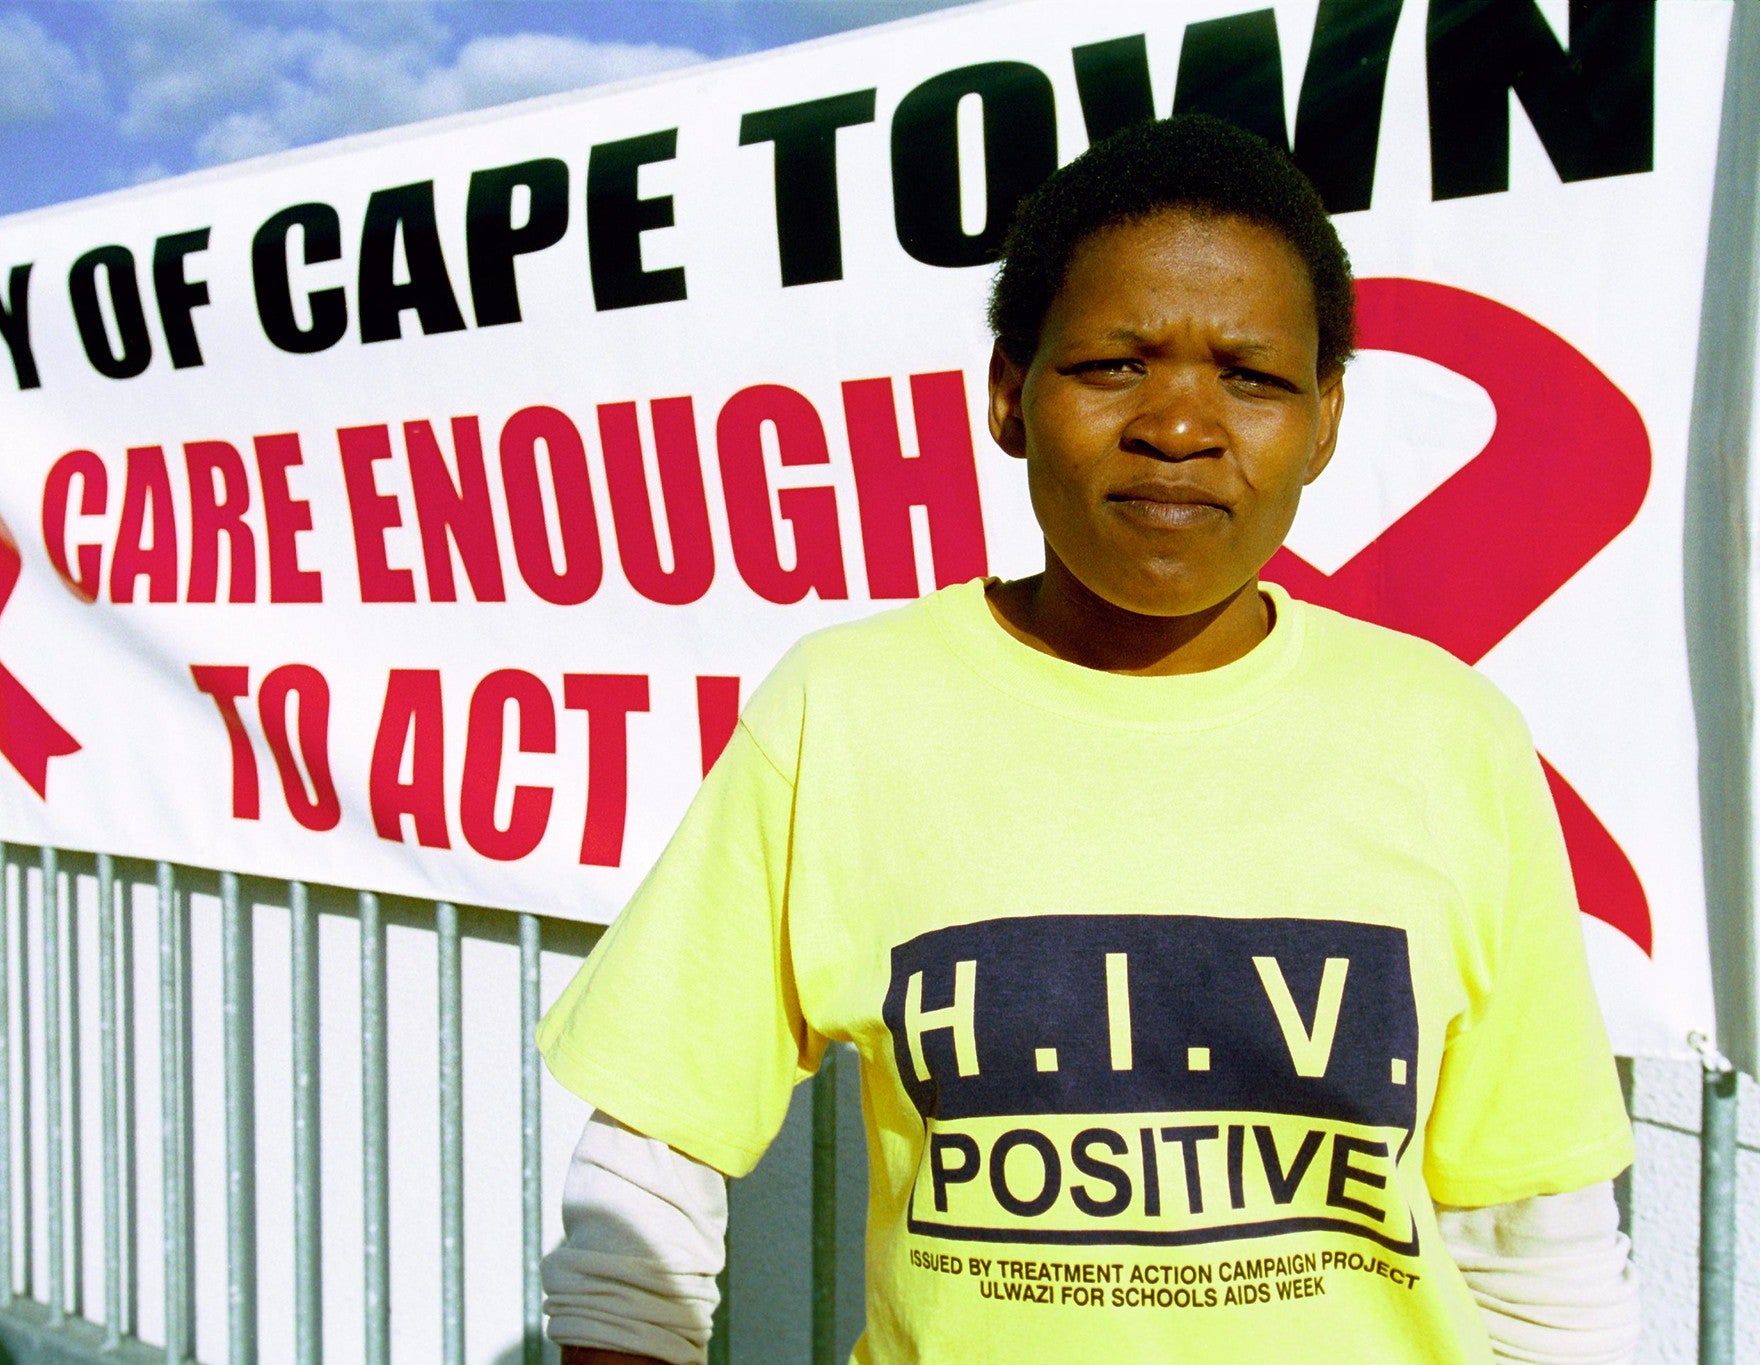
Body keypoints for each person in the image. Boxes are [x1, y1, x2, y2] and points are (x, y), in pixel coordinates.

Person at [535, 114, 1638, 1364]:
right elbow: (642, 1185)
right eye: (1115, 364)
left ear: (1324, 421)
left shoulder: (1450, 736)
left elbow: (1537, 1250)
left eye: (1251, 375)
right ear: (1009, 393)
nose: (1178, 425)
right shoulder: (844, 711)